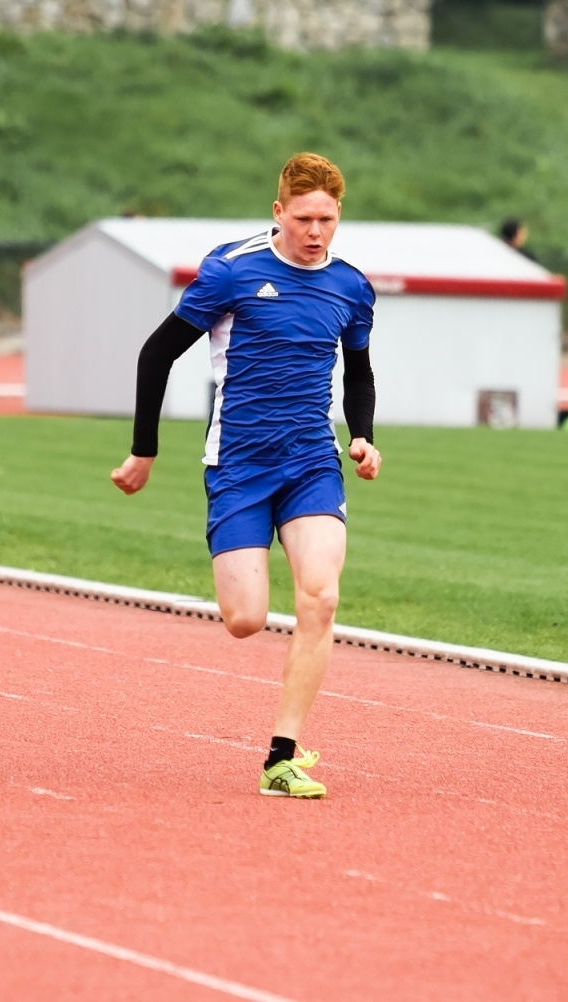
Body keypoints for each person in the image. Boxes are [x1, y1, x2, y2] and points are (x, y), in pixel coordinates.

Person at [110, 152, 381, 800]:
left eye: (328, 219)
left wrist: (364, 436)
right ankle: (243, 589)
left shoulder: (351, 286)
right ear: (278, 212)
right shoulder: (232, 272)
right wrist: (143, 450)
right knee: (244, 618)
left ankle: (281, 757)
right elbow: (158, 352)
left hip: (312, 459)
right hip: (238, 463)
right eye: (304, 218)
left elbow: (360, 371)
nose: (316, 232)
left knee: (320, 597)